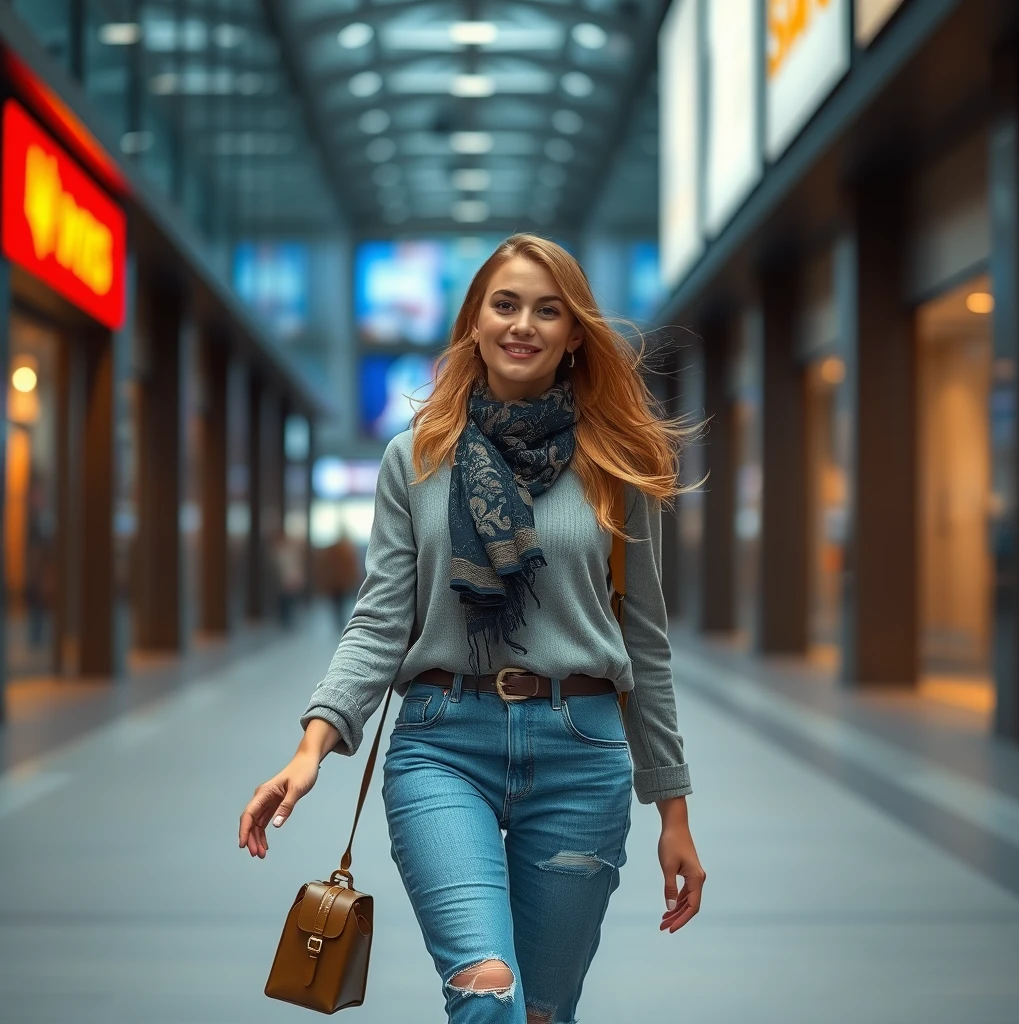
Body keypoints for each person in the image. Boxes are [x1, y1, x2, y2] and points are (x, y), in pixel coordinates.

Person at [239, 234, 706, 1023]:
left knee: (541, 1011)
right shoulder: (414, 459)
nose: (523, 324)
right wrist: (311, 746)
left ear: (572, 336)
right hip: (441, 742)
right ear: (476, 323)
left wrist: (674, 810)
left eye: (547, 310)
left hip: (581, 750)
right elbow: (380, 620)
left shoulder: (612, 465)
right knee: (485, 989)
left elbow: (645, 646)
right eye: (506, 304)